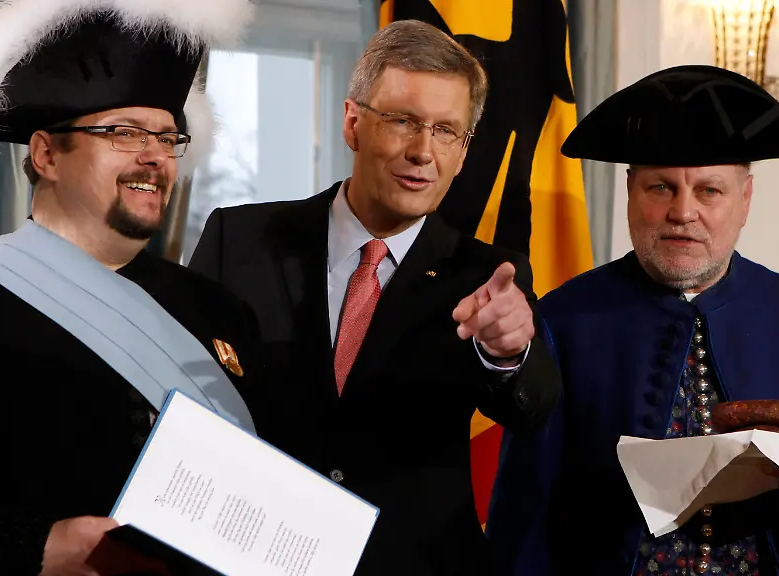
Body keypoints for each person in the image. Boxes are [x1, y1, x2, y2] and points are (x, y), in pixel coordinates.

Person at [188, 19, 563, 576]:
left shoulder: (485, 276)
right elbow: (186, 397)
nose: (423, 152)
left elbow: (532, 408)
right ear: (353, 123)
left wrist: (508, 355)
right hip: (254, 556)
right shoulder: (239, 240)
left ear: (464, 153)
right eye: (403, 121)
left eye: (446, 131)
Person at [0, 1, 260, 574]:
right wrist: (39, 545)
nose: (154, 157)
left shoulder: (221, 312)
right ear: (46, 154)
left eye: (168, 138)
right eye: (124, 133)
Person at [485, 65, 779, 576]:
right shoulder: (565, 318)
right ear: (631, 192)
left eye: (709, 191)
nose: (683, 212)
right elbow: (523, 510)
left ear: (745, 200)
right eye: (661, 188)